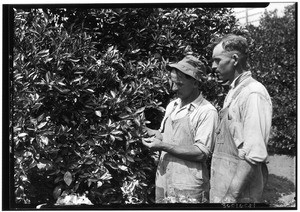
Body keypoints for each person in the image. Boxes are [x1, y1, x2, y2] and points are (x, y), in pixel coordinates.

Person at [142, 55, 218, 203]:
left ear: (195, 83)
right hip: (164, 181)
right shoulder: (173, 105)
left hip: (188, 189)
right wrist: (148, 131)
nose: (174, 88)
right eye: (173, 83)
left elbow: (201, 153)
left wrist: (162, 146)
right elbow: (167, 136)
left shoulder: (206, 111)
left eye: (180, 84)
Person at [209, 34, 273, 203]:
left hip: (240, 196)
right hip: (223, 188)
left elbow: (254, 153)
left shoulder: (253, 93)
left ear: (235, 59)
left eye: (217, 60)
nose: (213, 66)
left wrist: (231, 196)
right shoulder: (233, 92)